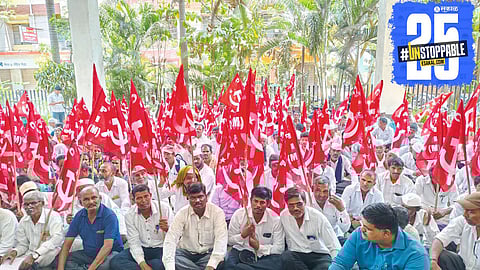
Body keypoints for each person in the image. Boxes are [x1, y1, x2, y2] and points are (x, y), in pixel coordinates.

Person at [329, 203, 430, 270]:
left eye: (368, 228)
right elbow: (340, 263)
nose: (362, 229)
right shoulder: (359, 234)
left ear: (386, 233)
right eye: (362, 225)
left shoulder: (416, 255)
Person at [162, 182, 228, 270]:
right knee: (173, 258)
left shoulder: (217, 213)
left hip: (207, 255)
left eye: (200, 196)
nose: (197, 201)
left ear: (206, 197)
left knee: (222, 258)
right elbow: (171, 238)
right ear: (188, 198)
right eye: (193, 198)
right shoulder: (182, 213)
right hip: (185, 255)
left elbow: (221, 240)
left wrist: (211, 266)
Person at [57, 186, 124, 270]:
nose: (91, 202)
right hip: (89, 254)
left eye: (94, 198)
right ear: (81, 203)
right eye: (86, 199)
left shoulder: (109, 216)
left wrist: (91, 269)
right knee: (65, 260)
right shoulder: (79, 216)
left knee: (105, 267)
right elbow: (66, 245)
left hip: (110, 254)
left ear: (100, 198)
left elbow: (107, 246)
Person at [111, 184, 173, 270]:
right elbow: (134, 241)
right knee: (116, 261)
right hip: (142, 247)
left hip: (161, 248)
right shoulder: (130, 215)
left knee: (160, 264)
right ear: (133, 199)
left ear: (150, 196)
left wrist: (167, 229)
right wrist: (141, 263)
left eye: (146, 196)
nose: (143, 200)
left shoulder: (164, 209)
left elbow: (175, 236)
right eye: (139, 198)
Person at [280, 186, 340, 270]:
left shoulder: (318, 217)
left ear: (305, 202)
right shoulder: (283, 216)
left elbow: (334, 245)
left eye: (299, 204)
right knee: (286, 257)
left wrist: (337, 266)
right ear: (286, 205)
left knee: (325, 267)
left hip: (320, 256)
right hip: (297, 255)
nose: (295, 208)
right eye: (291, 205)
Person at [0, 191, 63, 269]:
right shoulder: (24, 221)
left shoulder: (53, 216)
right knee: (4, 266)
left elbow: (56, 240)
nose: (29, 206)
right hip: (29, 254)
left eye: (33, 203)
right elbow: (23, 244)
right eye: (26, 204)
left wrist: (35, 255)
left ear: (42, 203)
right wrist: (15, 252)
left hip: (47, 253)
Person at [226, 186, 284, 269]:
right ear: (250, 201)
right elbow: (229, 240)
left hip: (265, 255)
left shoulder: (275, 220)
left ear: (268, 204)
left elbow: (279, 248)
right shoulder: (239, 214)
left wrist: (259, 247)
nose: (258, 206)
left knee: (278, 264)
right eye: (255, 201)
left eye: (262, 202)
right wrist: (242, 235)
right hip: (241, 251)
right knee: (228, 265)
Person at [431, 192, 480, 270]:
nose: (465, 214)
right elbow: (440, 239)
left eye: (471, 211)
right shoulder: (462, 220)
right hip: (463, 265)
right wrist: (433, 260)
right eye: (465, 210)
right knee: (440, 255)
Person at [311, 175, 350, 245]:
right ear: (312, 188)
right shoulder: (306, 201)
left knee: (351, 246)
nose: (321, 195)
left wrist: (342, 210)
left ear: (329, 190)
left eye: (325, 191)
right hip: (314, 238)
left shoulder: (338, 201)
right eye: (318, 190)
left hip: (334, 236)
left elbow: (345, 229)